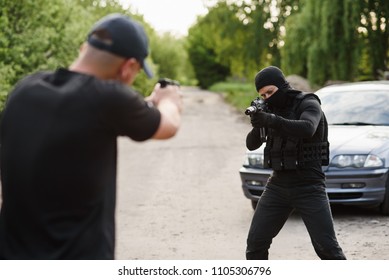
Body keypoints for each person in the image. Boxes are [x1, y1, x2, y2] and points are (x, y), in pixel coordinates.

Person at [0, 13, 183, 259]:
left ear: (84, 48)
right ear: (128, 67)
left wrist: (147, 102)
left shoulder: (24, 89)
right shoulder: (110, 100)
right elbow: (168, 125)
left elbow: (95, 110)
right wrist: (169, 100)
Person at [245, 66, 346, 260]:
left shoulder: (308, 102)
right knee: (255, 244)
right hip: (277, 185)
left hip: (309, 185)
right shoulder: (269, 108)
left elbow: (308, 128)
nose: (267, 97)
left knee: (327, 248)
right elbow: (251, 144)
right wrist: (259, 123)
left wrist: (272, 120)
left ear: (282, 86)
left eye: (270, 92)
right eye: (263, 95)